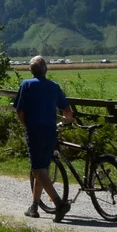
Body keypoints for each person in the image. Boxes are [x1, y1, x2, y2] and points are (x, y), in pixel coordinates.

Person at [12, 55, 74, 220]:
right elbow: (66, 110)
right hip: (50, 132)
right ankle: (34, 206)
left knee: (37, 170)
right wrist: (68, 120)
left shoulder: (26, 85)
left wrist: (26, 125)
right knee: (42, 169)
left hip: (35, 132)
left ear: (31, 70)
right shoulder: (54, 86)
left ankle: (59, 203)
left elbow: (19, 110)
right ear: (45, 69)